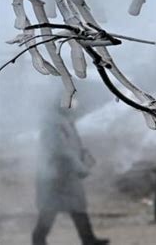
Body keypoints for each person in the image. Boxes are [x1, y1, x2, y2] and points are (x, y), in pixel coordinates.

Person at [32, 99, 109, 245]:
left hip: (67, 173)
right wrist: (80, 166)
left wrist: (83, 155)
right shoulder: (54, 124)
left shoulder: (63, 122)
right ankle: (38, 239)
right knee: (50, 209)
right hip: (55, 175)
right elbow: (61, 150)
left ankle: (88, 239)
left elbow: (71, 146)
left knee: (77, 206)